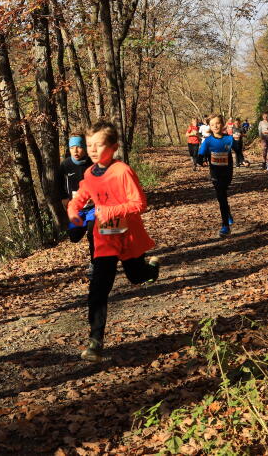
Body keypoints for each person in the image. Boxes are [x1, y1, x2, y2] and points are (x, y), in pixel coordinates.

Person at [67, 121, 159, 362]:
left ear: (114, 147)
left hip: (128, 235)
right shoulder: (89, 172)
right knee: (98, 288)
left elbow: (139, 204)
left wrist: (109, 212)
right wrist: (73, 208)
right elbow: (83, 194)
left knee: (137, 277)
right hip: (104, 239)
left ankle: (151, 269)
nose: (93, 150)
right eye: (89, 145)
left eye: (99, 145)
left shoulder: (122, 171)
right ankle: (95, 341)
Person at [58, 135, 94, 264]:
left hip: (93, 207)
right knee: (74, 237)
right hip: (76, 207)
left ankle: (94, 263)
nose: (75, 150)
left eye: (78, 147)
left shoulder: (93, 162)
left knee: (92, 235)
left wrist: (95, 198)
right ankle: (85, 224)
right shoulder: (65, 165)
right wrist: (63, 198)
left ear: (84, 148)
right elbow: (58, 183)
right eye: (72, 147)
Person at [198, 114, 235, 237]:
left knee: (223, 195)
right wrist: (201, 161)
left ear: (223, 124)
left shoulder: (229, 139)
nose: (215, 126)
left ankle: (227, 213)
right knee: (221, 197)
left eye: (218, 123)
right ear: (209, 126)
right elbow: (200, 156)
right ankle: (225, 225)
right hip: (215, 174)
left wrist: (242, 160)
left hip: (227, 172)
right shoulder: (208, 141)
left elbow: (239, 152)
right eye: (212, 124)